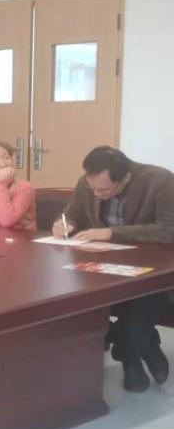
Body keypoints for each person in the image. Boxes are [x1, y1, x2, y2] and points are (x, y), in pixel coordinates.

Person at [52, 146, 173, 392]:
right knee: (76, 296)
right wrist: (63, 224)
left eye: (104, 190)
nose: (97, 193)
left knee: (143, 301)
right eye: (93, 188)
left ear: (125, 178)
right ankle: (146, 344)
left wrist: (111, 233)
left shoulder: (161, 182)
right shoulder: (88, 183)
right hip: (104, 269)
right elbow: (72, 213)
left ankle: (129, 356)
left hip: (154, 270)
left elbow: (168, 230)